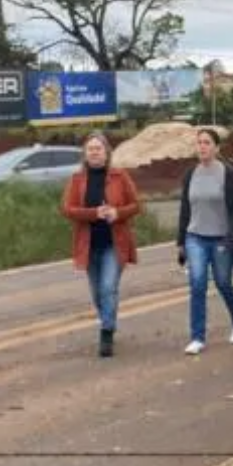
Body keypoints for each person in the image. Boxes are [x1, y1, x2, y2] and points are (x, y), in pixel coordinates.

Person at [60, 131, 144, 357]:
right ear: (85, 154)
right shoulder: (77, 180)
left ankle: (106, 332)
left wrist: (117, 212)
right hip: (89, 245)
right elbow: (67, 209)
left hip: (114, 243)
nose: (94, 152)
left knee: (108, 288)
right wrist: (93, 213)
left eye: (98, 148)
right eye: (90, 149)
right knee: (97, 293)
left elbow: (136, 205)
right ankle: (108, 319)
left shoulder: (119, 176)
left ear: (107, 152)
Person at [175, 127, 233, 355]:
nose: (202, 147)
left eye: (207, 143)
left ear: (216, 148)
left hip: (221, 238)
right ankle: (198, 337)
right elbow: (186, 209)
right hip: (195, 236)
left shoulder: (226, 174)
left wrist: (230, 240)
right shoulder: (191, 174)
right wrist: (181, 241)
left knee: (223, 283)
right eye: (199, 143)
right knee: (197, 284)